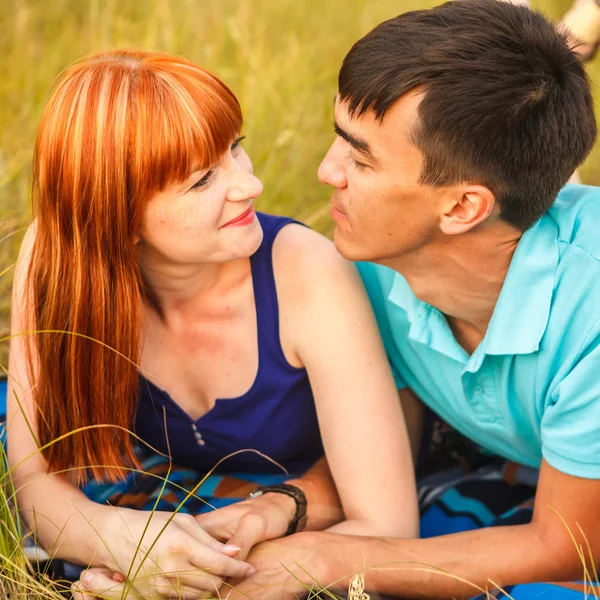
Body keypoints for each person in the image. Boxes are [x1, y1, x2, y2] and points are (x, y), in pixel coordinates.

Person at [212, 1, 600, 599]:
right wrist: (278, 512)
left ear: (462, 208)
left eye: (359, 157)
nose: (325, 171)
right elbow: (386, 447)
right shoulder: (371, 268)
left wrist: (325, 560)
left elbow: (566, 547)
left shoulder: (590, 314)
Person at [5, 50, 419, 599]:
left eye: (235, 150)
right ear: (117, 218)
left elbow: (387, 526)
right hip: (168, 485)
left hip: (309, 506)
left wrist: (208, 573)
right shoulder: (60, 261)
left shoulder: (305, 270)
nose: (249, 186)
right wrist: (118, 540)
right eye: (202, 181)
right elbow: (35, 478)